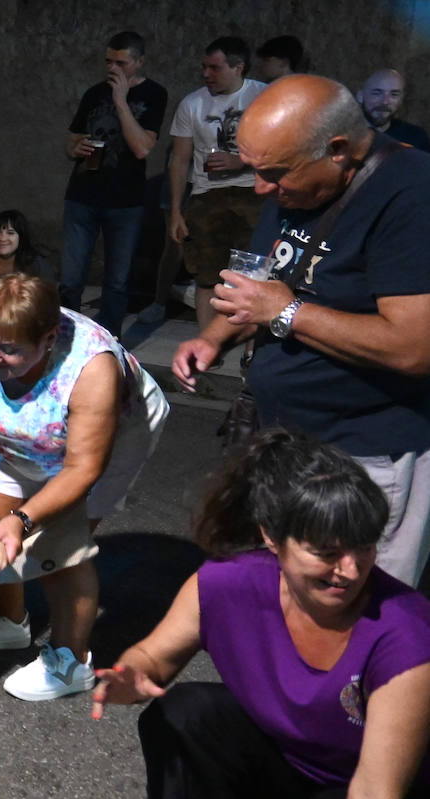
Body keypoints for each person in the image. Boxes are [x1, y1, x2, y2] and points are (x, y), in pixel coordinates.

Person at [97, 430, 430, 799]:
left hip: (381, 796)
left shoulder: (407, 635)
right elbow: (151, 660)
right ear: (273, 538)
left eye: (364, 547)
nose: (352, 570)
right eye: (328, 551)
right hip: (291, 762)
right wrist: (128, 678)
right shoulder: (226, 583)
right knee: (182, 713)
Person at [173, 75, 430, 588]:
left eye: (273, 174)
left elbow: (415, 347)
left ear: (337, 150)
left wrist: (288, 314)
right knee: (288, 589)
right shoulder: (297, 180)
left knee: (355, 604)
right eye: (255, 172)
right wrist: (215, 337)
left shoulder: (412, 194)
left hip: (367, 452)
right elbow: (268, 284)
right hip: (288, 439)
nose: (262, 189)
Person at [0, 274, 168, 700]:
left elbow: (81, 468)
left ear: (50, 337)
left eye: (9, 350)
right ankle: (9, 620)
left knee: (59, 550)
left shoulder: (92, 368)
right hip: (24, 426)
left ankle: (72, 660)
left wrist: (23, 518)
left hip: (106, 435)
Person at [60, 31, 169, 337]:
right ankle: (65, 339)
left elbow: (142, 148)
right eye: (109, 61)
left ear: (139, 62)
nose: (112, 68)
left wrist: (121, 102)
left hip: (125, 202)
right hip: (82, 196)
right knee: (70, 278)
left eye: (121, 62)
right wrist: (75, 148)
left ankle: (108, 346)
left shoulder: (154, 95)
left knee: (118, 282)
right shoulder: (94, 93)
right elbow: (70, 143)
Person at [168, 37, 266, 331]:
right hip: (207, 195)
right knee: (206, 275)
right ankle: (207, 344)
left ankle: (250, 351)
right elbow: (180, 160)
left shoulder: (263, 96)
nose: (206, 74)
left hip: (253, 193)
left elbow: (285, 148)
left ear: (239, 67)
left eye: (215, 68)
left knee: (254, 277)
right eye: (204, 67)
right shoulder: (193, 103)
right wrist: (176, 211)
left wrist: (242, 161)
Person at [356, 68, 430, 152]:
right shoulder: (343, 135)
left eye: (394, 95)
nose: (385, 101)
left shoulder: (416, 137)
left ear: (401, 99)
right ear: (360, 96)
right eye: (377, 93)